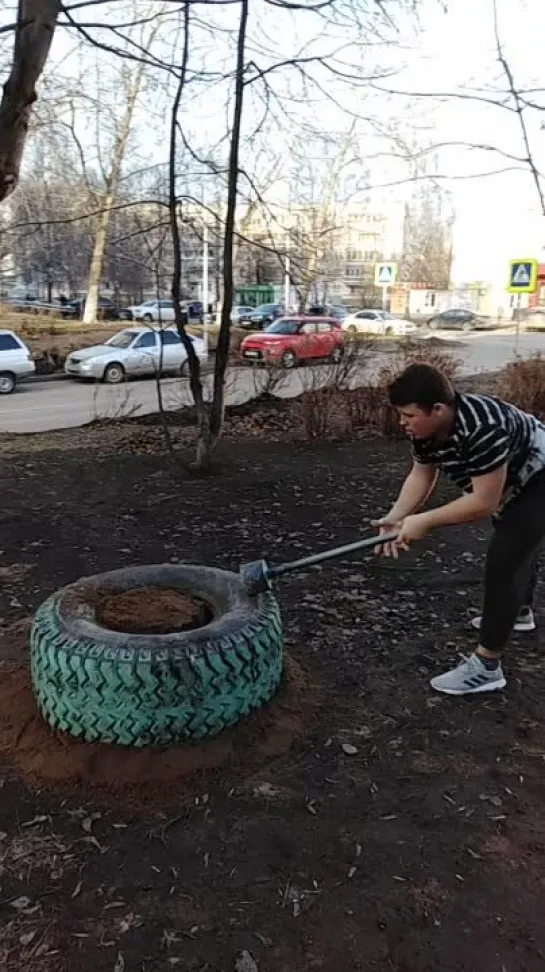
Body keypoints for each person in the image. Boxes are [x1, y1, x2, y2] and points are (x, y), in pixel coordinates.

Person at [374, 363, 545, 696]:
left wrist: (425, 520)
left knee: (505, 559)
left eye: (408, 415)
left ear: (438, 409)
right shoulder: (426, 430)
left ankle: (487, 668)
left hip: (541, 477)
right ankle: (518, 613)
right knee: (517, 544)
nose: (402, 422)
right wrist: (397, 516)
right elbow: (422, 474)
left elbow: (483, 502)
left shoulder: (482, 428)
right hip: (515, 479)